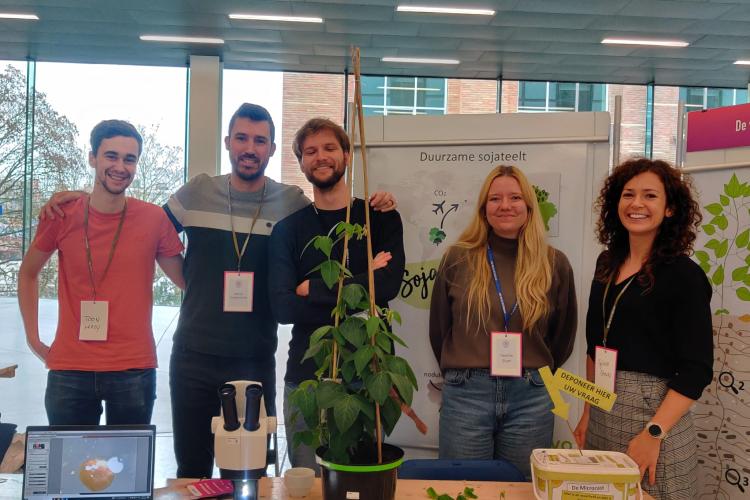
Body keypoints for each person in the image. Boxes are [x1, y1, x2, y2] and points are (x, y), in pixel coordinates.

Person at [40, 103, 396, 478]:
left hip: (254, 358)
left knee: (248, 473)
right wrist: (84, 197)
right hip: (193, 356)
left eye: (260, 141)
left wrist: (376, 206)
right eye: (241, 137)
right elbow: (141, 227)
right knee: (192, 470)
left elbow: (332, 222)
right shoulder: (198, 191)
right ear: (228, 142)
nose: (250, 147)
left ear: (272, 149)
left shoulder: (290, 202)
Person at [17, 119, 185, 425]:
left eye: (129, 159)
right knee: (70, 470)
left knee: (128, 469)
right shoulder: (61, 214)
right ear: (93, 157)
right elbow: (28, 273)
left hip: (133, 367)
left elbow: (186, 280)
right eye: (111, 156)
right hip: (70, 367)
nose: (120, 166)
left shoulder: (153, 219)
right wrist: (33, 339)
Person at [268, 118, 405, 471]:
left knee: (360, 479)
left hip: (368, 368)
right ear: (301, 162)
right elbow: (283, 307)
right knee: (306, 478)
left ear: (346, 155)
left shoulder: (379, 219)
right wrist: (366, 278)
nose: (321, 157)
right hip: (307, 374)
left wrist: (312, 289)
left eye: (329, 148)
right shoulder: (288, 230)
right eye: (310, 151)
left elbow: (387, 287)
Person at [573, 158, 712, 499]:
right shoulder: (607, 263)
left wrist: (653, 433)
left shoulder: (683, 275)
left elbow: (697, 370)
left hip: (655, 416)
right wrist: (588, 412)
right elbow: (595, 346)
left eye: (650, 196)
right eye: (628, 194)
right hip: (604, 410)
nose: (636, 204)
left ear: (669, 209)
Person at [429, 165, 577, 480]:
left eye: (515, 198)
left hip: (531, 396)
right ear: (484, 209)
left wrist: (534, 369)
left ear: (529, 207)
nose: (505, 206)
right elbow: (439, 329)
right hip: (467, 393)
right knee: (461, 489)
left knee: (521, 490)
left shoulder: (554, 263)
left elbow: (563, 335)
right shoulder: (458, 259)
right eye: (495, 199)